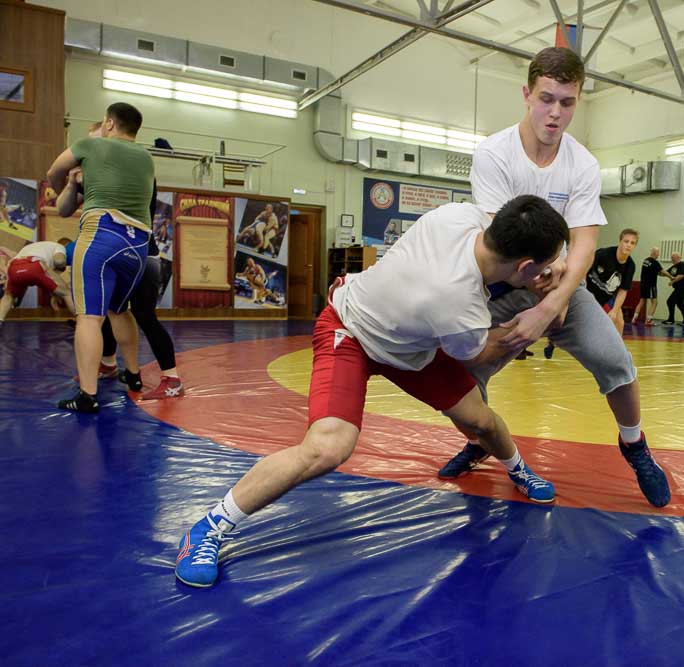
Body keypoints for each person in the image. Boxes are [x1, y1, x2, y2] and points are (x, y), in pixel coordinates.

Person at [174, 195, 569, 588]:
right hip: (351, 332)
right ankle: (209, 527)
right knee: (327, 448)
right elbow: (482, 351)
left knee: (479, 418)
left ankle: (518, 468)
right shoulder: (457, 302)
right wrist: (535, 320)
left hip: (408, 345)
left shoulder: (460, 215)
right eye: (544, 266)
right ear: (525, 266)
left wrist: (554, 262)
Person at [435, 47, 669, 508]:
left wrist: (553, 302)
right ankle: (482, 438)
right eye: (546, 99)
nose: (555, 112)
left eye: (567, 102)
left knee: (615, 360)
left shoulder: (581, 163)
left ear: (577, 100)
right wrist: (547, 274)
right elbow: (501, 239)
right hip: (502, 283)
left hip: (559, 286)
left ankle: (634, 444)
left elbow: (584, 241)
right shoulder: (494, 154)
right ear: (527, 94)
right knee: (460, 371)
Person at [46, 102, 154, 413]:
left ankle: (88, 395)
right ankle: (133, 375)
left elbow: (52, 171)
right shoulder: (146, 158)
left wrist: (66, 184)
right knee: (120, 310)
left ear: (108, 123)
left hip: (101, 234)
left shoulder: (91, 145)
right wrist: (79, 186)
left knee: (90, 317)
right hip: (137, 246)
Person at [0, 241, 75, 324]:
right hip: (35, 265)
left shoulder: (33, 247)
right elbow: (59, 261)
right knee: (67, 293)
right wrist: (62, 266)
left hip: (14, 267)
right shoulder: (60, 247)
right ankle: (80, 321)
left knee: (8, 296)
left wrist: (54, 293)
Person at [584, 228, 638, 336]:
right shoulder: (603, 254)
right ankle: (553, 341)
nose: (628, 245)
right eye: (626, 241)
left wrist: (614, 311)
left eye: (632, 243)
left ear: (635, 246)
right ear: (620, 242)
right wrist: (582, 292)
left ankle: (618, 352)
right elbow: (584, 269)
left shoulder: (630, 266)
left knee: (619, 321)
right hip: (587, 292)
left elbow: (623, 291)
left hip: (606, 298)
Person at [632, 246, 669, 326]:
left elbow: (658, 273)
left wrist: (665, 275)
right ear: (654, 253)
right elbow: (663, 272)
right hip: (651, 285)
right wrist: (671, 277)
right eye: (658, 253)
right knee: (654, 302)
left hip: (643, 284)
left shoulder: (646, 260)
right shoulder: (654, 262)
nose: (658, 255)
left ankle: (634, 318)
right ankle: (648, 320)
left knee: (642, 301)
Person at [665, 252, 684, 326]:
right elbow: (666, 272)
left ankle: (671, 319)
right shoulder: (673, 267)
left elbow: (681, 275)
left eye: (673, 257)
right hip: (678, 288)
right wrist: (658, 271)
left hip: (682, 287)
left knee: (670, 301)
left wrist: (672, 281)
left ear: (677, 258)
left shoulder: (682, 265)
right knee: (680, 304)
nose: (671, 259)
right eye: (671, 257)